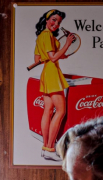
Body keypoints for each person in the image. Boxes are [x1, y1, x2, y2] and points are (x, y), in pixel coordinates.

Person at [34, 9, 76, 161]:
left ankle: (46, 148)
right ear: (46, 19)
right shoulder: (47, 36)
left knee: (48, 110)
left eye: (58, 22)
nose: (56, 24)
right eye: (53, 20)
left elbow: (38, 58)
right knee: (60, 111)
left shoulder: (42, 37)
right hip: (52, 74)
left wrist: (61, 53)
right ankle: (50, 147)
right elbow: (53, 58)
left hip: (46, 73)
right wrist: (67, 43)